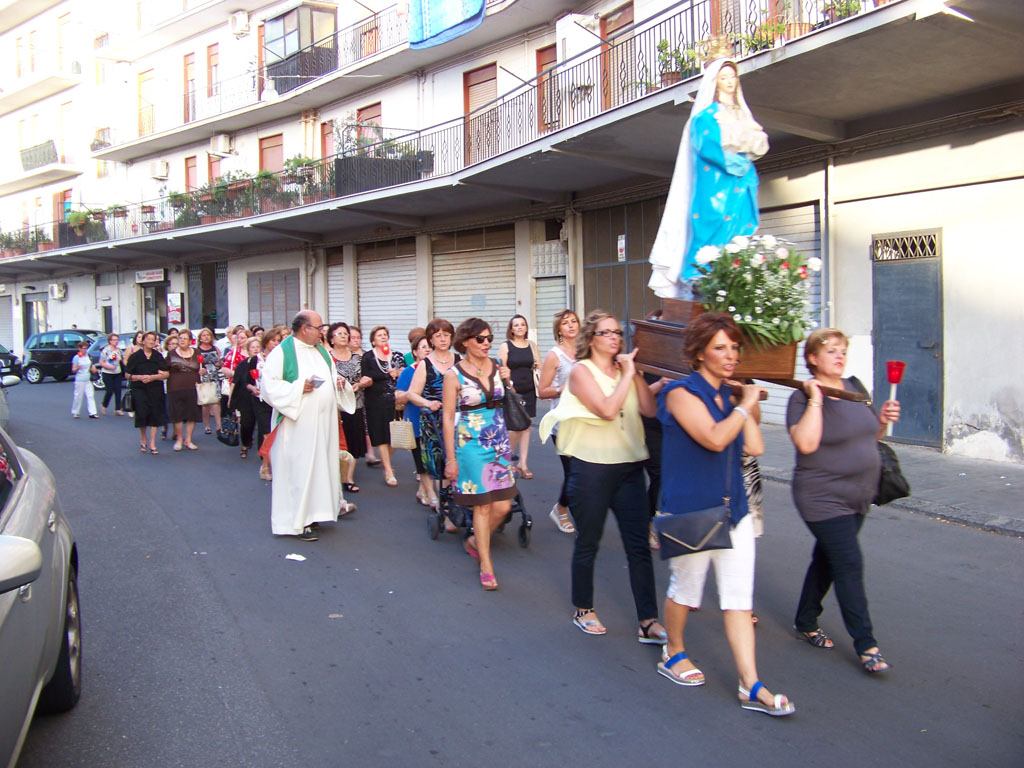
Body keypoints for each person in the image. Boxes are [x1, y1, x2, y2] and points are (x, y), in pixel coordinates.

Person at [655, 312, 793, 716]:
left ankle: (750, 684)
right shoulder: (679, 394)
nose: (731, 354)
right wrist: (744, 405)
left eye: (734, 347)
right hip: (691, 509)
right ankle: (673, 651)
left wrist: (745, 406)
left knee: (738, 600)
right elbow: (714, 439)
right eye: (720, 347)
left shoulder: (733, 396)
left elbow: (754, 447)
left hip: (735, 511)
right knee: (686, 591)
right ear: (698, 353)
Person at [539, 310, 665, 643]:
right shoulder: (582, 372)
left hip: (629, 467)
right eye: (607, 333)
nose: (614, 338)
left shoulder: (626, 371)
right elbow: (608, 410)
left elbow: (650, 410)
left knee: (638, 546)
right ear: (591, 339)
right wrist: (627, 376)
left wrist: (633, 374)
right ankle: (584, 608)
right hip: (591, 467)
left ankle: (648, 620)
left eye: (618, 332)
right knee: (588, 542)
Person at [787, 328, 900, 674]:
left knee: (828, 557)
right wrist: (818, 398)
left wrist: (880, 422)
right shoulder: (802, 398)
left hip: (859, 494)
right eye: (830, 350)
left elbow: (869, 436)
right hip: (822, 496)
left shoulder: (856, 388)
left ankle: (806, 619)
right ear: (813, 359)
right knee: (848, 562)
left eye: (842, 350)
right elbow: (805, 445)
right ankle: (867, 644)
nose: (839, 356)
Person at [648, 58, 769, 298]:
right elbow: (709, 147)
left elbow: (760, 143)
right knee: (710, 227)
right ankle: (699, 274)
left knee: (740, 227)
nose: (729, 83)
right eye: (723, 78)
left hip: (741, 182)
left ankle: (733, 269)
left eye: (732, 77)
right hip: (715, 185)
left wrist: (744, 157)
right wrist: (737, 161)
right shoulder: (706, 117)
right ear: (714, 83)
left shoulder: (742, 116)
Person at [261, 310, 355, 541]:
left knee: (318, 470)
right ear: (305, 329)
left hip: (322, 425)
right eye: (319, 327)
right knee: (299, 471)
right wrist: (297, 389)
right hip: (296, 426)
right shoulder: (283, 352)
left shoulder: (321, 351)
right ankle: (295, 522)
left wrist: (338, 383)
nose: (322, 332)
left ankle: (313, 515)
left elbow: (330, 376)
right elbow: (268, 387)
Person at [442, 318, 516, 591]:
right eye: (481, 339)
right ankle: (486, 564)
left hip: (498, 440)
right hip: (470, 442)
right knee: (483, 506)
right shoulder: (454, 375)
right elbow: (448, 418)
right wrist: (451, 458)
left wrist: (509, 382)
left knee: (503, 506)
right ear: (465, 342)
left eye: (489, 338)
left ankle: (475, 540)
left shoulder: (497, 366)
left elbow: (508, 400)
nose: (487, 343)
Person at [405, 318, 459, 519]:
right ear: (431, 339)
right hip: (434, 420)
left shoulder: (459, 360)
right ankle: (446, 507)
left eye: (446, 335)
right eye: (438, 336)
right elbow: (412, 394)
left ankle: (457, 503)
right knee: (442, 464)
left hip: (458, 419)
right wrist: (428, 403)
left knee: (459, 461)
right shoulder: (425, 365)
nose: (443, 339)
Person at [536, 309, 580, 534]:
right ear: (559, 330)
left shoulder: (586, 351)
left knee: (587, 472)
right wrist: (565, 388)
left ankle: (580, 510)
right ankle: (561, 509)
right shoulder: (555, 355)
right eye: (566, 323)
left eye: (574, 321)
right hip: (562, 423)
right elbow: (542, 391)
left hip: (586, 421)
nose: (571, 325)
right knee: (574, 474)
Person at [360, 325, 405, 486]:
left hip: (395, 401)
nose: (383, 337)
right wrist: (385, 374)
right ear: (373, 340)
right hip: (376, 400)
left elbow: (406, 372)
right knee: (381, 435)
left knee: (394, 437)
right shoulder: (368, 357)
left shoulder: (397, 355)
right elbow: (366, 376)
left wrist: (399, 372)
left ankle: (387, 460)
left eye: (385, 334)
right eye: (379, 335)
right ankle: (387, 469)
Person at [498, 314, 540, 479]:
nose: (520, 327)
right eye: (516, 325)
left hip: (530, 390)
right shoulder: (506, 346)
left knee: (527, 425)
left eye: (522, 324)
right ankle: (506, 461)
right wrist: (510, 386)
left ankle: (523, 463)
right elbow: (502, 368)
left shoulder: (532, 345)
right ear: (511, 329)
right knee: (515, 427)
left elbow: (539, 367)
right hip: (513, 390)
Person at [396, 334, 435, 507]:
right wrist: (411, 393)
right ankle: (432, 495)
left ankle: (422, 490)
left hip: (435, 421)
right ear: (414, 352)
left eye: (429, 347)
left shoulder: (440, 369)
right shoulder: (409, 371)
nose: (427, 350)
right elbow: (398, 397)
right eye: (423, 347)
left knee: (433, 459)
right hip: (416, 420)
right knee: (421, 461)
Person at [328, 322, 365, 492]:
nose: (344, 336)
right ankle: (333, 476)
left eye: (345, 333)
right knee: (334, 441)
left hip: (354, 403)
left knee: (354, 440)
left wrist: (363, 382)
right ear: (331, 338)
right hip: (333, 405)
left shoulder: (358, 358)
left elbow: (367, 377)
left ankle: (348, 477)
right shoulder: (326, 358)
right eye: (339, 333)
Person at [125, 331, 169, 454]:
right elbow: (127, 374)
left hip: (155, 388)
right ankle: (143, 438)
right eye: (148, 339)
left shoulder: (158, 356)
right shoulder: (135, 356)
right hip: (139, 388)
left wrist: (153, 377)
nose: (151, 341)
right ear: (143, 341)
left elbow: (166, 373)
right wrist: (140, 377)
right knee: (142, 413)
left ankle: (153, 443)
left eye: (153, 339)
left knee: (155, 413)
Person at [254, 328, 283, 481]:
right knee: (267, 435)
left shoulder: (281, 359)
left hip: (276, 401)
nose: (276, 344)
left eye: (279, 341)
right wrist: (253, 388)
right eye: (273, 340)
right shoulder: (255, 359)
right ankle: (269, 468)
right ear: (266, 341)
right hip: (261, 401)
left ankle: (267, 465)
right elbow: (246, 380)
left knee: (275, 435)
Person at [166, 329, 202, 451]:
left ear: (190, 341)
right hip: (175, 387)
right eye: (180, 338)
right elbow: (165, 369)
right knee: (178, 414)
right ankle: (179, 439)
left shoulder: (197, 352)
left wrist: (202, 371)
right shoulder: (171, 354)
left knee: (192, 414)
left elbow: (202, 367)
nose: (182, 340)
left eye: (185, 338)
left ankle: (188, 440)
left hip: (193, 387)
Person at [228, 337, 264, 458]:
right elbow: (235, 381)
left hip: (260, 397)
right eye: (253, 347)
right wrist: (230, 398)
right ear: (248, 350)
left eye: (257, 347)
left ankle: (263, 451)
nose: (255, 349)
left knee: (262, 425)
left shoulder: (264, 363)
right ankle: (245, 445)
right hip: (245, 397)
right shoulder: (243, 364)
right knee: (246, 423)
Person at [350, 325, 379, 467]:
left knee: (368, 422)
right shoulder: (345, 355)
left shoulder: (367, 354)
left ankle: (370, 452)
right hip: (352, 394)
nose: (356, 340)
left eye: (358, 337)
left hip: (368, 392)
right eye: (353, 337)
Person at [195, 328, 222, 435]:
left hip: (215, 376)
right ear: (200, 338)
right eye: (204, 335)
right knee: (205, 402)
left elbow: (220, 360)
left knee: (216, 400)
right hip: (204, 377)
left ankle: (218, 424)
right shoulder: (197, 350)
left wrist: (220, 364)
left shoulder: (215, 348)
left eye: (208, 335)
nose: (206, 337)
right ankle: (207, 425)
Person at [70, 341, 99, 419]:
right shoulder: (77, 357)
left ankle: (92, 412)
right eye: (83, 348)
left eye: (86, 348)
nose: (85, 350)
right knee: (78, 396)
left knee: (90, 395)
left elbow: (91, 365)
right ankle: (75, 412)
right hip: (80, 379)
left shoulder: (88, 356)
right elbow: (73, 370)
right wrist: (77, 368)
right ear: (79, 349)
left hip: (87, 378)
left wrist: (93, 369)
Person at [98, 333, 124, 415]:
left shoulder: (119, 350)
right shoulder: (106, 350)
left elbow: (122, 360)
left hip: (117, 372)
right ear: (110, 341)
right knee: (109, 390)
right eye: (114, 340)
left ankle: (117, 409)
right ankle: (104, 404)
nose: (116, 342)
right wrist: (109, 367)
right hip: (107, 373)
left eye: (117, 340)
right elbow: (101, 362)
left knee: (118, 390)